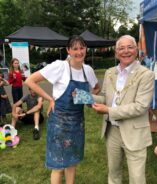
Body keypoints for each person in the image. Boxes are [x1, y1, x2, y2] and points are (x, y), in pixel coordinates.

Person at [25, 35, 100, 184]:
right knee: (58, 165)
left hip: (77, 123)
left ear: (86, 49)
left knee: (72, 161)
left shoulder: (88, 70)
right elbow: (30, 80)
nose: (79, 52)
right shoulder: (60, 66)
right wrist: (50, 99)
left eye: (82, 48)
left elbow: (97, 88)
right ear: (68, 50)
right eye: (75, 49)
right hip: (59, 123)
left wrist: (85, 97)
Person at [92, 35, 155, 184]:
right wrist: (87, 98)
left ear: (136, 50)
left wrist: (108, 111)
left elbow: (140, 107)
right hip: (112, 130)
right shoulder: (109, 72)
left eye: (130, 47)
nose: (125, 51)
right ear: (116, 53)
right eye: (121, 48)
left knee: (137, 178)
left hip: (135, 132)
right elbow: (106, 100)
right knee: (113, 173)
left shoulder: (146, 75)